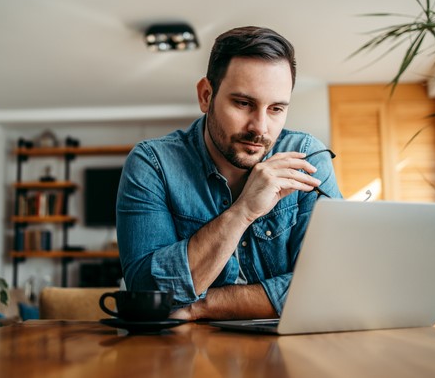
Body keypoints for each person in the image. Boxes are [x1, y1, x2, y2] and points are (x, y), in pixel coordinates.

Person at [116, 26, 341, 320]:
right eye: (244, 104)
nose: (260, 128)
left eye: (275, 109)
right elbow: (147, 293)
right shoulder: (153, 164)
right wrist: (243, 211)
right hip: (185, 356)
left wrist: (201, 305)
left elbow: (332, 285)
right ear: (206, 95)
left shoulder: (307, 157)